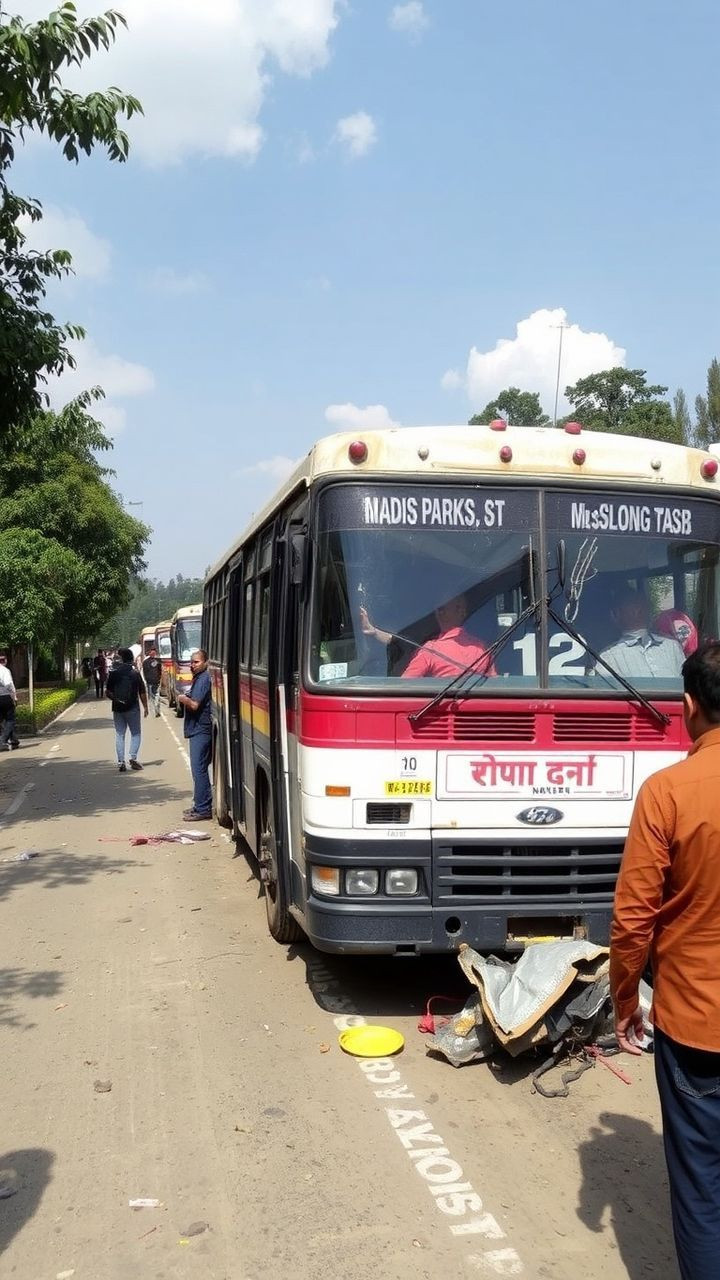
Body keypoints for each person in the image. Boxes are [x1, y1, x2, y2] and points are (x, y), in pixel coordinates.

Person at [610, 641, 720, 1280]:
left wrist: (626, 1000)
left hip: (698, 1027)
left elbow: (633, 920)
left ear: (688, 706)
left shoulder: (667, 791)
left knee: (703, 1191)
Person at [360, 592, 496, 679]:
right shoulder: (482, 647)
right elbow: (495, 684)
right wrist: (374, 631)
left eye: (441, 609)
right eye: (437, 609)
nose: (438, 613)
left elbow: (404, 686)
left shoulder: (431, 650)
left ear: (461, 610)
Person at [599, 586, 684, 679]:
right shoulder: (608, 657)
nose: (638, 609)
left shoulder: (671, 646)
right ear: (615, 614)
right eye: (630, 604)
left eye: (640, 604)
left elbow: (689, 681)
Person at [178, 649, 212, 821]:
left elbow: (194, 705)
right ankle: (200, 805)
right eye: (191, 662)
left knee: (199, 769)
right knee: (198, 769)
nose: (192, 665)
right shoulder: (199, 678)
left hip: (201, 729)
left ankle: (203, 808)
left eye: (196, 662)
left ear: (205, 662)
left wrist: (183, 699)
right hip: (197, 728)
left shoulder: (204, 678)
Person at [106, 646, 148, 772]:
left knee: (120, 734)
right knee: (136, 733)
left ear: (121, 659)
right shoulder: (135, 673)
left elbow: (108, 691)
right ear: (131, 658)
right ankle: (133, 757)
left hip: (117, 708)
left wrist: (116, 700)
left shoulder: (114, 672)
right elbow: (142, 691)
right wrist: (145, 707)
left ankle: (121, 762)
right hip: (133, 707)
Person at [0, 653, 19, 750]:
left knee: (5, 720)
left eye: (3, 660)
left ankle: (14, 740)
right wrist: (14, 697)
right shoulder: (4, 670)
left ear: (6, 660)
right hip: (5, 697)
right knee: (10, 720)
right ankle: (2, 741)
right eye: (1, 660)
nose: (2, 662)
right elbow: (8, 685)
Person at [142, 646, 162, 718]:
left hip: (149, 681)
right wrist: (159, 678)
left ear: (149, 653)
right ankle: (157, 709)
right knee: (157, 695)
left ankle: (154, 711)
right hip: (156, 681)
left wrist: (146, 679)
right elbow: (160, 671)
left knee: (151, 696)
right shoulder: (158, 661)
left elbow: (144, 672)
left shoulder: (145, 662)